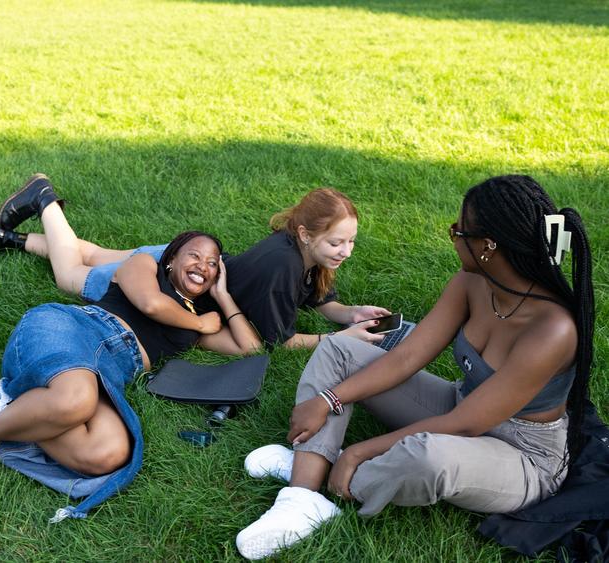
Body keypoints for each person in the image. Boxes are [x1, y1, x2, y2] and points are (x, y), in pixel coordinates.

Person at [234, 175, 595, 560]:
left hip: (522, 455)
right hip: (460, 406)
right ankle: (303, 496)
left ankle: (334, 466)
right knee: (340, 350)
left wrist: (359, 452)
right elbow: (407, 357)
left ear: (488, 245)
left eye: (458, 231)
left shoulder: (553, 329)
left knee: (427, 457)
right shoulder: (471, 283)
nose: (453, 238)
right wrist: (327, 398)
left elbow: (467, 425)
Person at [0, 177, 260, 521]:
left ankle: (21, 403)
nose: (203, 265)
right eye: (194, 256)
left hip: (106, 375)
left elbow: (249, 348)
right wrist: (201, 323)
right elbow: (151, 305)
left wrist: (224, 298)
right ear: (170, 260)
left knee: (108, 454)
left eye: (213, 263)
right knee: (76, 401)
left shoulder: (194, 318)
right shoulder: (144, 267)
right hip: (73, 329)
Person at [0, 179, 391, 348]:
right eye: (337, 242)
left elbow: (319, 302)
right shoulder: (280, 269)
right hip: (169, 282)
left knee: (89, 252)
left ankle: (8, 238)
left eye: (351, 241)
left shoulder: (302, 251)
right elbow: (278, 342)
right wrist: (339, 338)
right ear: (305, 234)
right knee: (72, 275)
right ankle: (44, 199)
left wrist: (348, 314)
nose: (345, 251)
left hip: (181, 259)